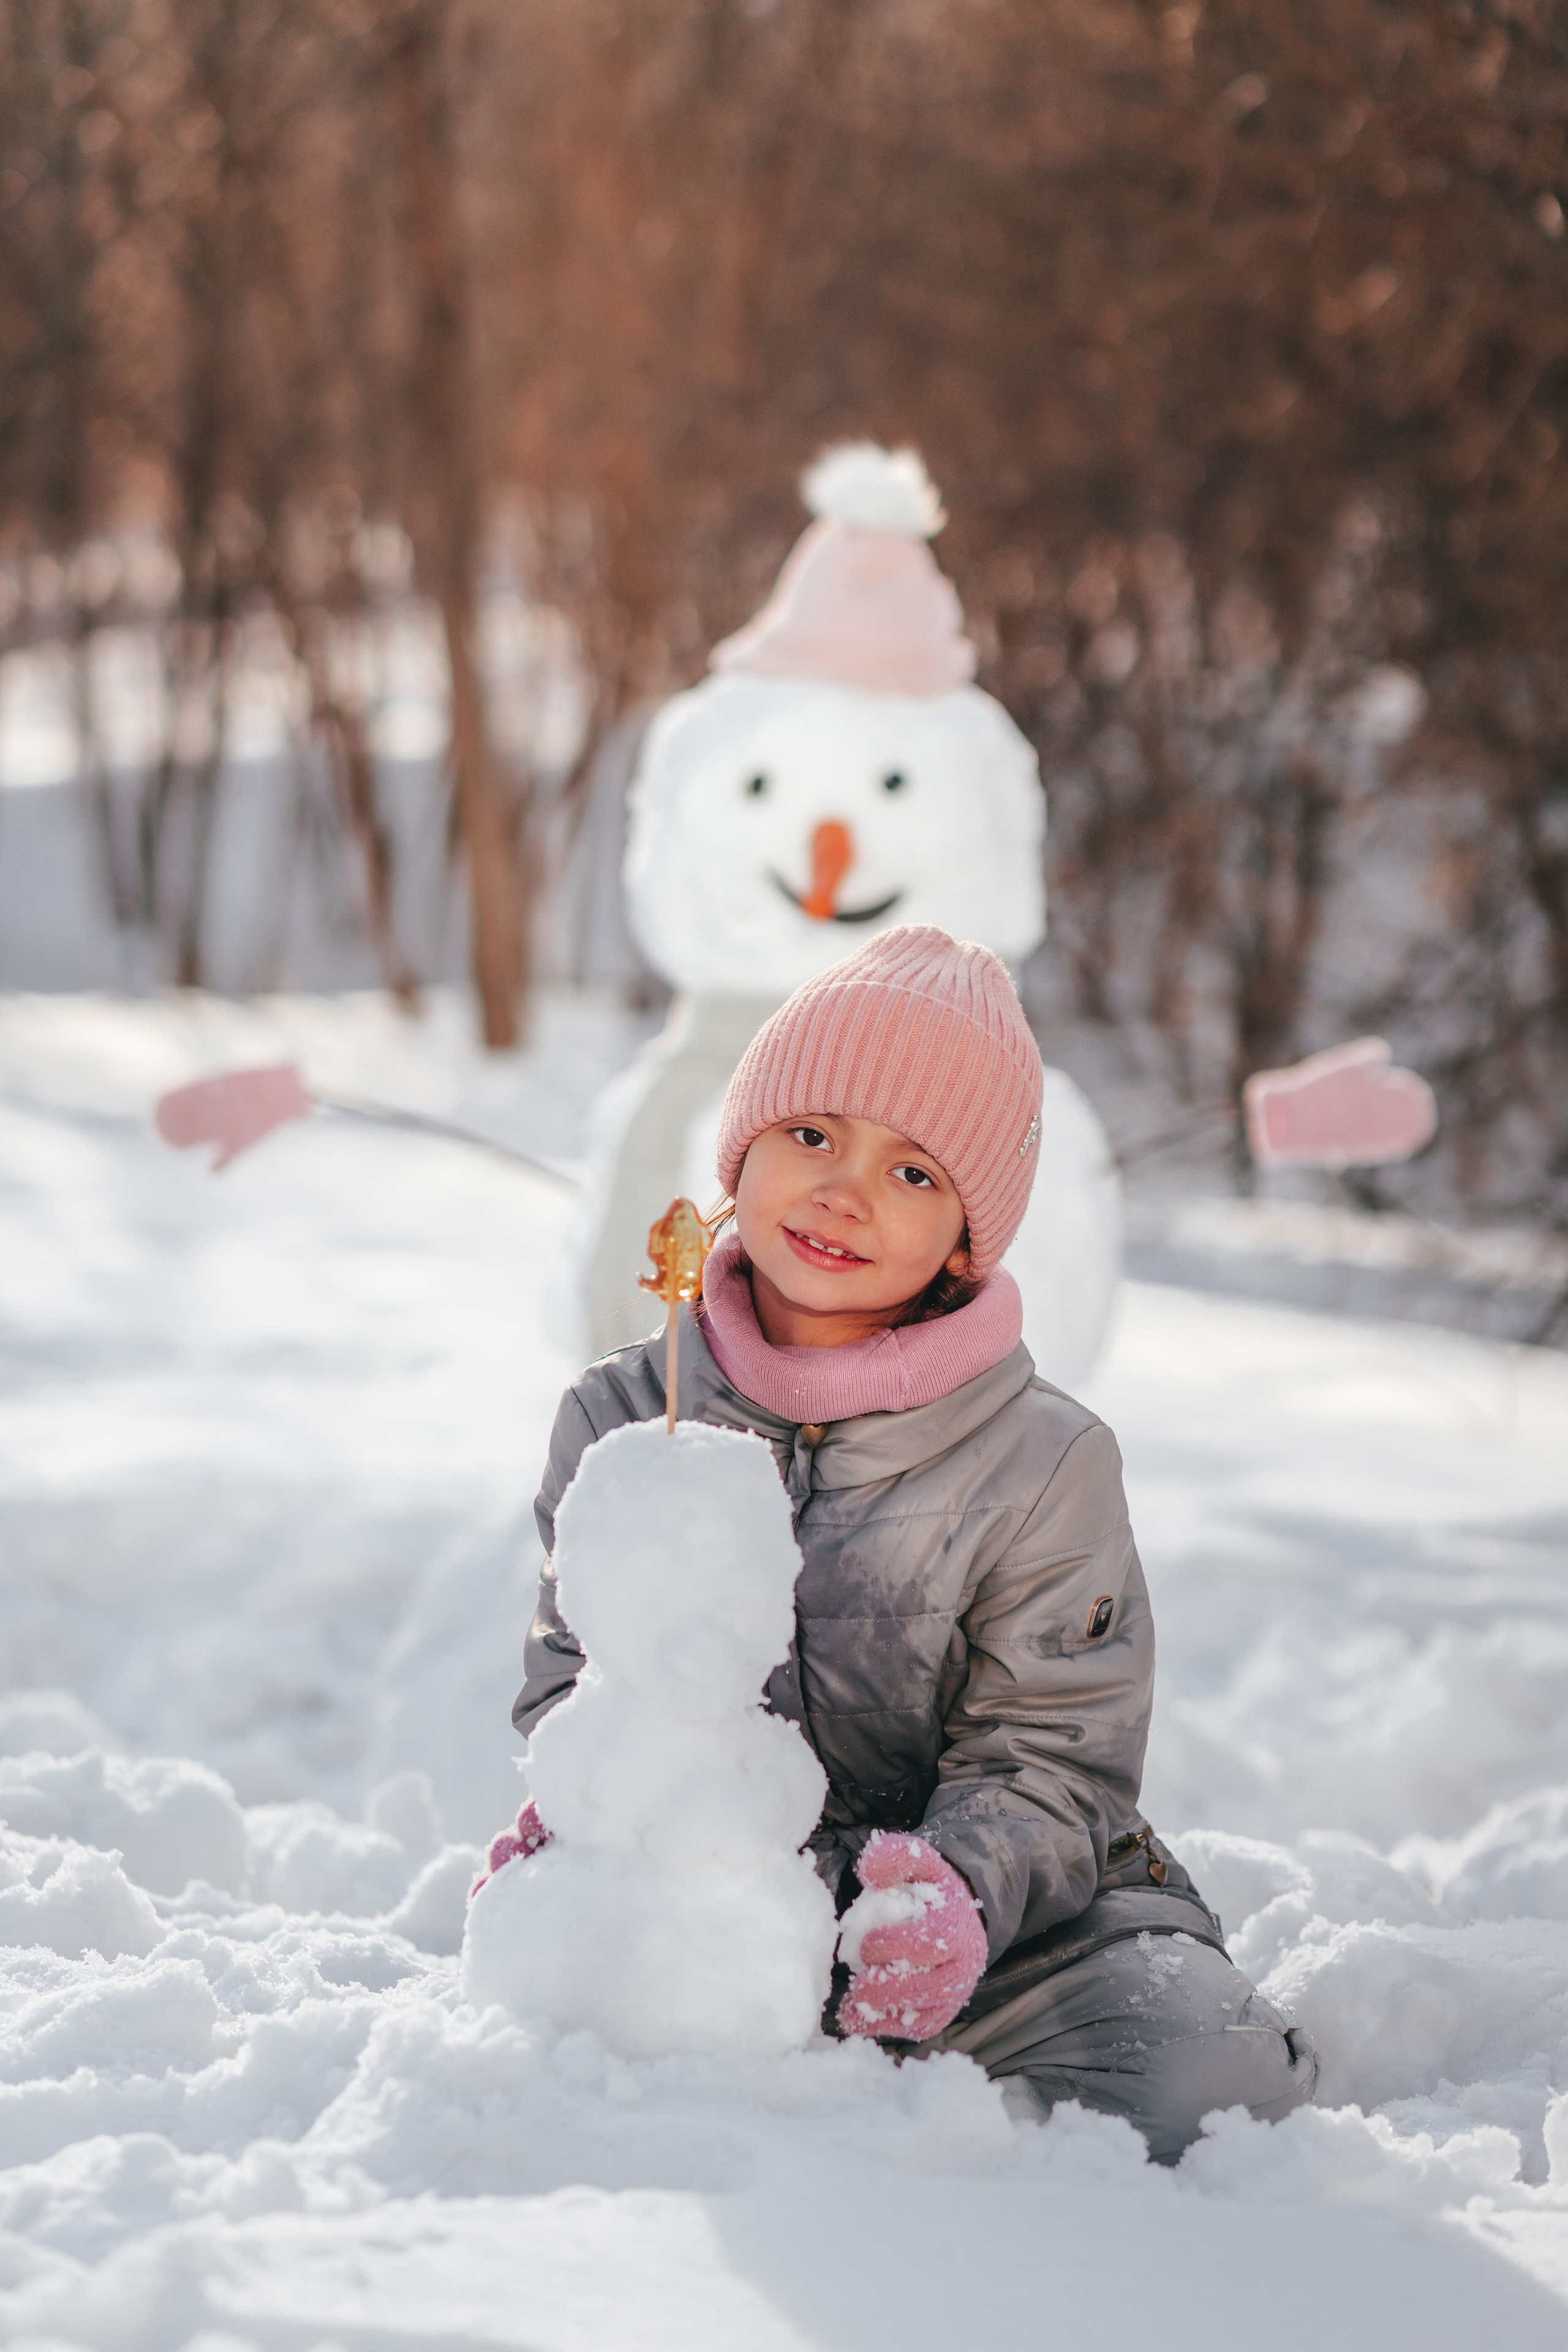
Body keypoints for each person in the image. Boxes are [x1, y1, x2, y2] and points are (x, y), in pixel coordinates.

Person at [510, 924, 1317, 2162]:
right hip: (723, 1897)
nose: (841, 1190)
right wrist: (588, 1802)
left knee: (1205, 2086)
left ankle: (950, 2121)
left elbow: (1053, 1748)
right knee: (595, 2069)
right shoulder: (624, 1417)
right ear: (742, 1151)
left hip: (1008, 1915)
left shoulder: (1041, 1461)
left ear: (962, 1238)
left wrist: (954, 1895)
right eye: (812, 1135)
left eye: (911, 1172)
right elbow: (576, 1672)